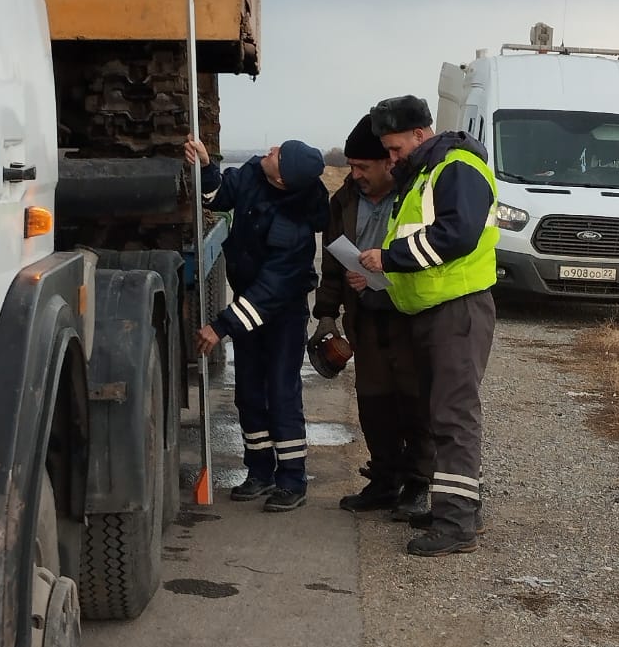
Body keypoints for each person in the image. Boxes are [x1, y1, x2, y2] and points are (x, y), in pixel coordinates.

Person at [359, 96, 498, 557]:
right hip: (434, 312)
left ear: (421, 134)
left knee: (454, 416)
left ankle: (456, 523)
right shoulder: (426, 172)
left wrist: (390, 258)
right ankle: (455, 510)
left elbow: (457, 235)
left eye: (396, 149)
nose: (392, 159)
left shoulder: (456, 167)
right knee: (442, 416)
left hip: (456, 310)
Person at [185, 136, 329, 511]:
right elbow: (218, 196)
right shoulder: (253, 174)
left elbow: (269, 291)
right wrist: (205, 167)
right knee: (248, 390)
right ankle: (259, 472)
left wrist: (221, 326)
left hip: (280, 313)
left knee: (280, 392)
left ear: (283, 180)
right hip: (250, 303)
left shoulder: (294, 228)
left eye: (277, 155)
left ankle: (292, 480)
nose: (270, 151)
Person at [312, 114, 434, 519]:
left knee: (416, 403)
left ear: (388, 163)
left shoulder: (415, 194)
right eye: (351, 166)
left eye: (363, 167)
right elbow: (332, 264)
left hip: (407, 317)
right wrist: (327, 315)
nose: (355, 175)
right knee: (375, 404)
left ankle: (419, 484)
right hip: (364, 320)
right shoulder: (343, 201)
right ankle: (383, 480)